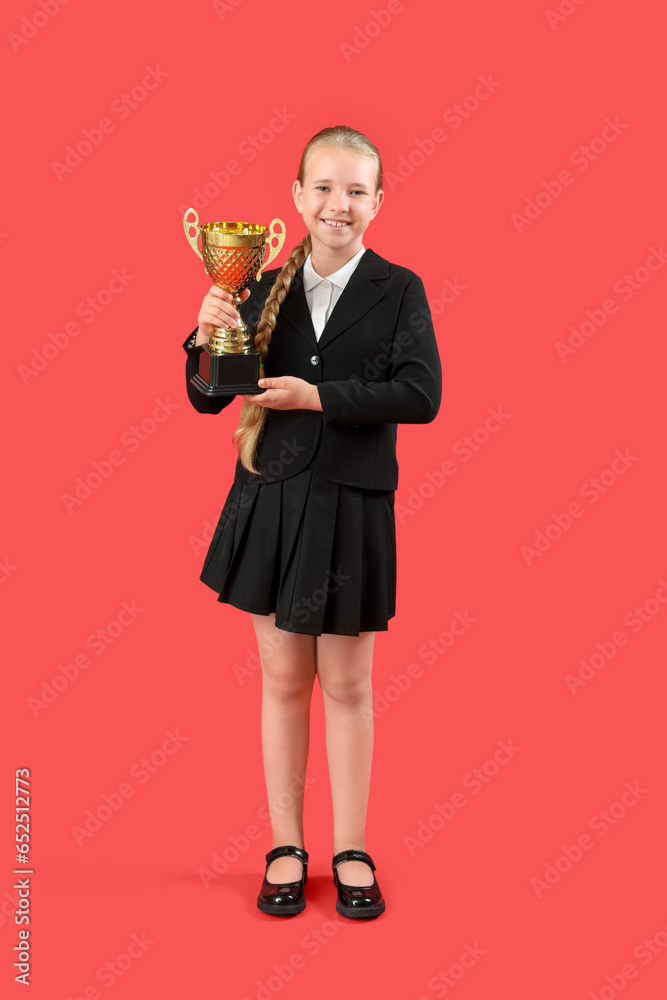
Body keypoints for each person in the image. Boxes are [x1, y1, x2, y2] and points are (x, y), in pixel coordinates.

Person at [181, 125, 442, 918]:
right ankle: (286, 844)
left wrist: (318, 398)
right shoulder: (257, 284)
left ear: (378, 203)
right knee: (284, 682)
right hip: (272, 500)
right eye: (323, 187)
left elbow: (421, 395)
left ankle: (350, 846)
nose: (339, 203)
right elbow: (206, 395)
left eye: (356, 190)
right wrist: (205, 328)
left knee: (350, 685)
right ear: (295, 198)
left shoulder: (399, 288)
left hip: (354, 504)